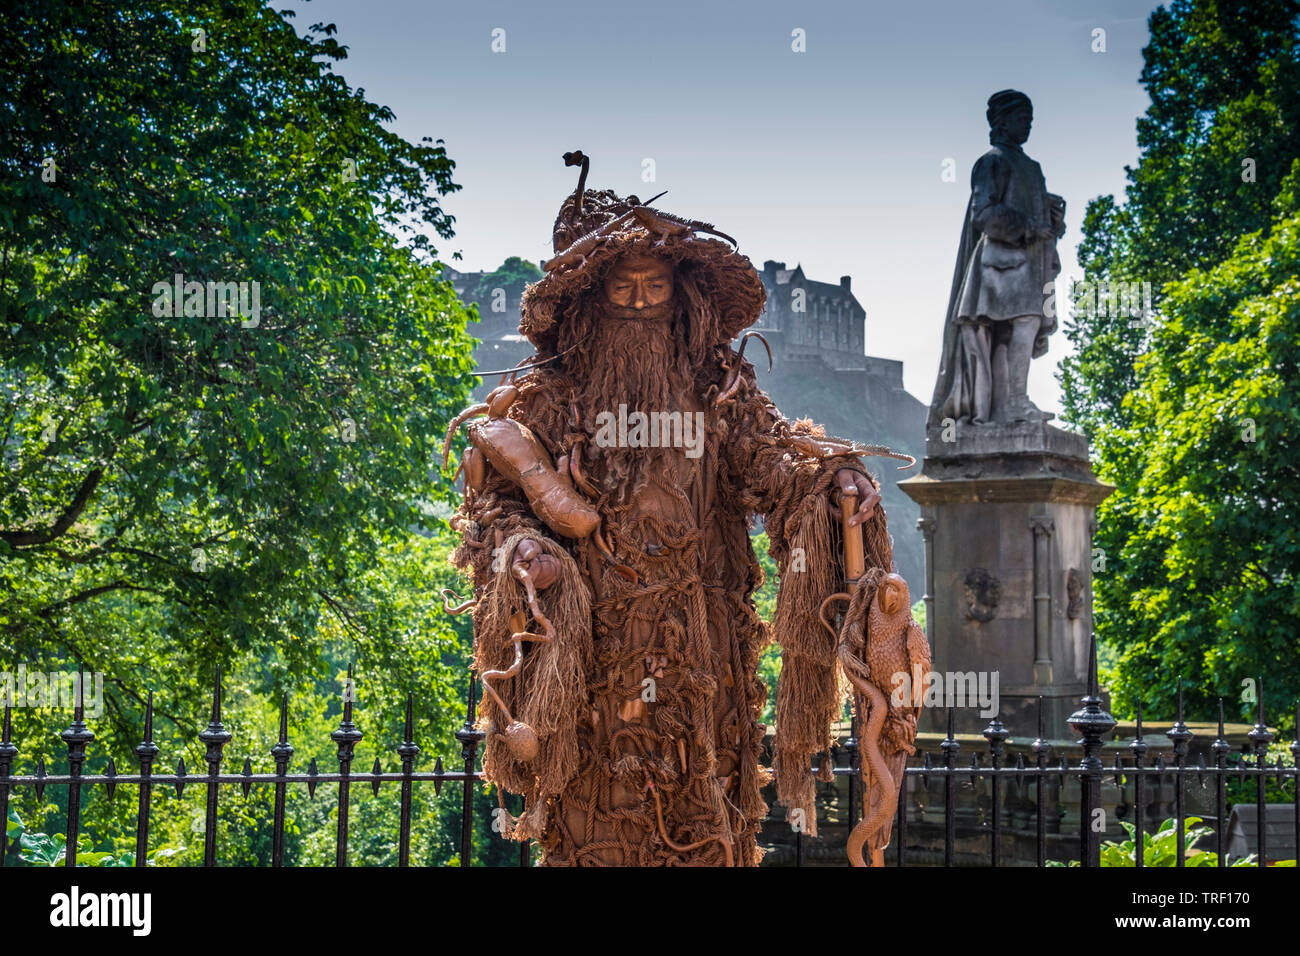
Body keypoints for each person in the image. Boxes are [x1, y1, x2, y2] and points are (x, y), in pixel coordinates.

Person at [449, 155, 902, 865]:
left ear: (679, 297)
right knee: (593, 818)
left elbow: (769, 461)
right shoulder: (551, 396)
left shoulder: (716, 388)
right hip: (591, 652)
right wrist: (522, 550)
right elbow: (494, 511)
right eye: (621, 288)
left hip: (700, 654)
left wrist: (830, 482)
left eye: (652, 287)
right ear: (592, 300)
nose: (636, 301)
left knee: (701, 811)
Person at [929, 89, 1066, 428]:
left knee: (1013, 333)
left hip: (1027, 266)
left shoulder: (1031, 167)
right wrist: (1029, 227)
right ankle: (1013, 404)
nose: (1028, 125)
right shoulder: (992, 161)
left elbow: (1035, 216)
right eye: (1022, 119)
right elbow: (984, 213)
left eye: (1030, 120)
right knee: (1020, 325)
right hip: (1000, 266)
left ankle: (1010, 404)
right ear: (1001, 122)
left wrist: (1052, 218)